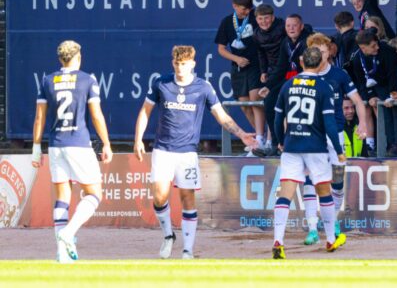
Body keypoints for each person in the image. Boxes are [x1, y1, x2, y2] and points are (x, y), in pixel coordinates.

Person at [133, 46, 256, 259]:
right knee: (160, 196)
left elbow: (221, 115)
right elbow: (145, 111)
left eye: (184, 64)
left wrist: (242, 134)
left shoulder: (203, 87)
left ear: (193, 64)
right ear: (173, 63)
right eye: (177, 64)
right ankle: (168, 235)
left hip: (187, 153)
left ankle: (188, 249)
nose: (180, 68)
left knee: (187, 197)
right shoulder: (161, 83)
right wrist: (137, 140)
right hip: (163, 149)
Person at [32, 40, 113, 263]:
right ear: (78, 57)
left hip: (56, 145)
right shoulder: (87, 80)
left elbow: (39, 117)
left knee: (62, 197)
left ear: (60, 59)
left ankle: (61, 252)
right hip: (78, 143)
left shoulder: (47, 80)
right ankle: (68, 233)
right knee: (95, 193)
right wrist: (106, 143)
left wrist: (36, 147)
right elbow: (96, 115)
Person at [271, 47, 346, 259]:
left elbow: (277, 119)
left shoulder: (288, 84)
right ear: (321, 63)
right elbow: (330, 124)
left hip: (292, 146)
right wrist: (339, 151)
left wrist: (280, 141)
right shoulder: (324, 87)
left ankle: (278, 239)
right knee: (324, 193)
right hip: (316, 147)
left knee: (285, 193)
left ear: (302, 62)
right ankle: (331, 239)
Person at [302, 33, 370, 244]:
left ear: (329, 51)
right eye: (316, 52)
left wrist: (363, 124)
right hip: (312, 135)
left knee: (337, 182)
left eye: (323, 52)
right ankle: (313, 227)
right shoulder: (304, 77)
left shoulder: (339, 75)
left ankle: (332, 219)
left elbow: (358, 101)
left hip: (336, 134)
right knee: (310, 180)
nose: (320, 56)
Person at [256, 14, 313, 157]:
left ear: (301, 26)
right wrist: (268, 86)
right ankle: (276, 144)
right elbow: (281, 68)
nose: (291, 28)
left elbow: (311, 67)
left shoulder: (308, 41)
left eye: (294, 25)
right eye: (288, 26)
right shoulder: (285, 42)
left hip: (306, 80)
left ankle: (298, 144)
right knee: (269, 101)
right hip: (289, 80)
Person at [214, 0, 265, 151]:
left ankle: (262, 138)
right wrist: (236, 59)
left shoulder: (255, 18)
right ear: (234, 6)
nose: (247, 11)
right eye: (243, 9)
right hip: (238, 67)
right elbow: (221, 49)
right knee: (244, 105)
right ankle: (258, 139)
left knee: (255, 101)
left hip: (255, 64)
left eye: (249, 8)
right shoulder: (227, 22)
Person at [346, 30, 397, 155]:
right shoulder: (356, 59)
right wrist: (370, 96)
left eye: (376, 44)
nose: (377, 47)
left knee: (395, 111)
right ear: (363, 48)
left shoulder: (386, 50)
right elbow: (361, 82)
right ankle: (388, 145)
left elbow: (393, 74)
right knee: (381, 113)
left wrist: (392, 93)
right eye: (372, 46)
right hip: (375, 88)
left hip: (391, 85)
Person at [254, 4, 285, 152]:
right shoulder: (257, 34)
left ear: (273, 18)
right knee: (269, 107)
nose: (264, 21)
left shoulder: (283, 27)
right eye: (260, 19)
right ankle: (274, 144)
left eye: (267, 18)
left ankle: (284, 143)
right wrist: (263, 71)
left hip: (286, 72)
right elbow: (260, 54)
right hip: (272, 74)